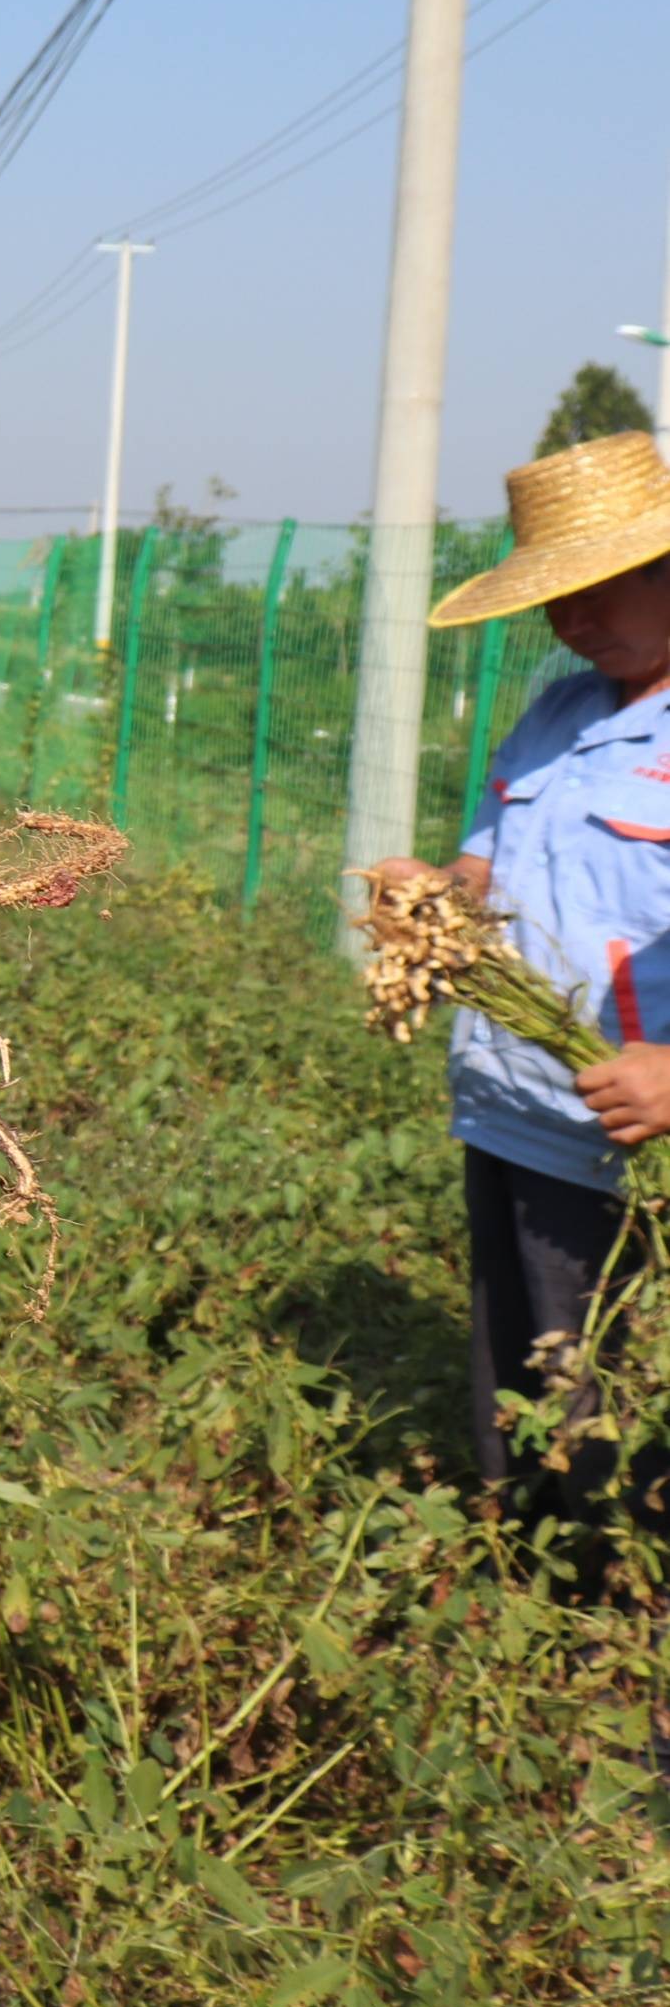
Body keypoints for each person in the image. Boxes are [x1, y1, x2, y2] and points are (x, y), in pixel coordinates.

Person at [378, 428, 670, 1507]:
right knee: (519, 1374)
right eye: (553, 597)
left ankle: (603, 1629)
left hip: (627, 1139)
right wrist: (429, 899)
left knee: (619, 1398)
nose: (567, 620)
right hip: (508, 1107)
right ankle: (510, 1568)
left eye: (592, 590)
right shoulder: (556, 712)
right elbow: (482, 868)